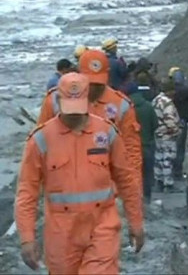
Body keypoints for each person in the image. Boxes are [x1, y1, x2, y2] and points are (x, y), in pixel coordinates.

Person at [15, 73, 144, 273]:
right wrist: (26, 238)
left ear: (88, 100)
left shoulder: (106, 133)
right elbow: (27, 192)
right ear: (58, 100)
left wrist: (136, 222)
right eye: (69, 108)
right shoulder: (41, 139)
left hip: (102, 225)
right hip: (61, 233)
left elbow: (127, 180)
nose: (74, 115)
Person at [37, 49, 143, 188]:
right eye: (90, 82)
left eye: (98, 84)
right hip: (64, 186)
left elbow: (131, 151)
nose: (93, 88)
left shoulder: (121, 105)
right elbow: (39, 144)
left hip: (106, 189)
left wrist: (133, 189)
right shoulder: (56, 100)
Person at [125, 82, 158, 205]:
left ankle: (133, 200)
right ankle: (147, 199)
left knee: (131, 175)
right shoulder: (148, 106)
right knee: (147, 174)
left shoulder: (126, 108)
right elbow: (156, 125)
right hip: (147, 146)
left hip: (130, 148)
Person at [152, 79, 181, 192]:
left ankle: (158, 181)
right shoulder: (167, 102)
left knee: (158, 158)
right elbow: (169, 120)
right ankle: (168, 184)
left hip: (157, 134)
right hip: (167, 135)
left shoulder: (155, 100)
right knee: (168, 159)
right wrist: (176, 130)